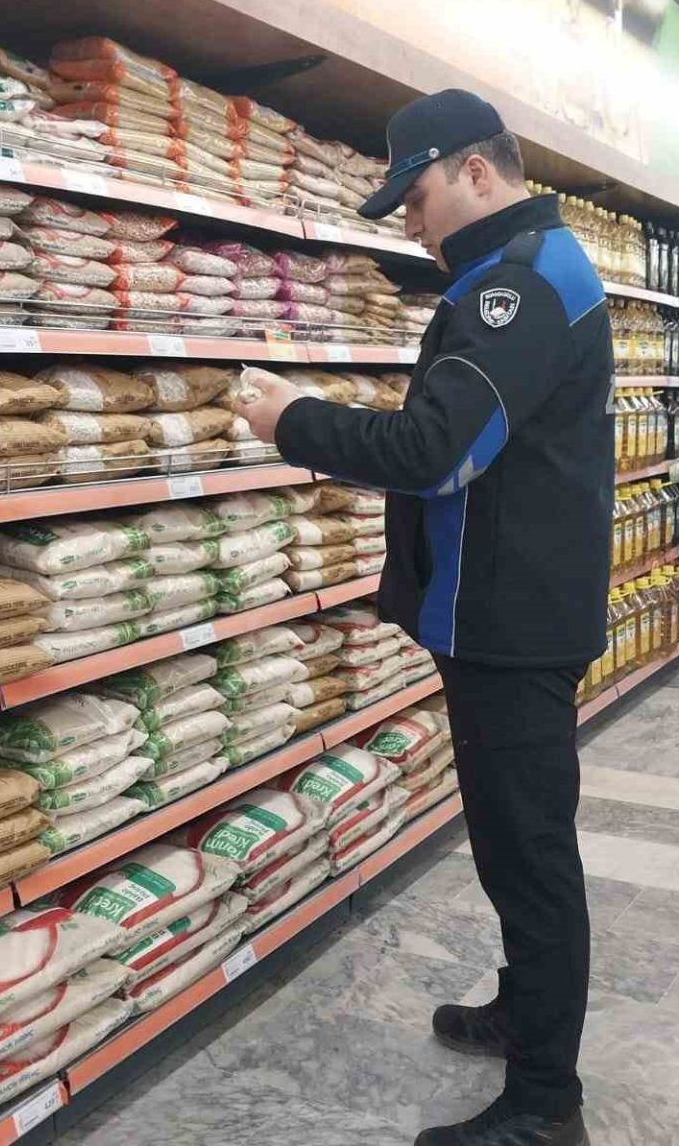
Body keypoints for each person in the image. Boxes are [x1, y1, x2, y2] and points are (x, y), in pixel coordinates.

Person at [238, 88, 609, 1146]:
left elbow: (436, 452)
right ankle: (525, 1016)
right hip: (504, 609)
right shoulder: (522, 269)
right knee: (510, 845)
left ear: (477, 173)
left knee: (530, 858)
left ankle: (546, 1105)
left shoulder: (521, 288)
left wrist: (294, 421)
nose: (411, 224)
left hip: (513, 624)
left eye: (417, 197)